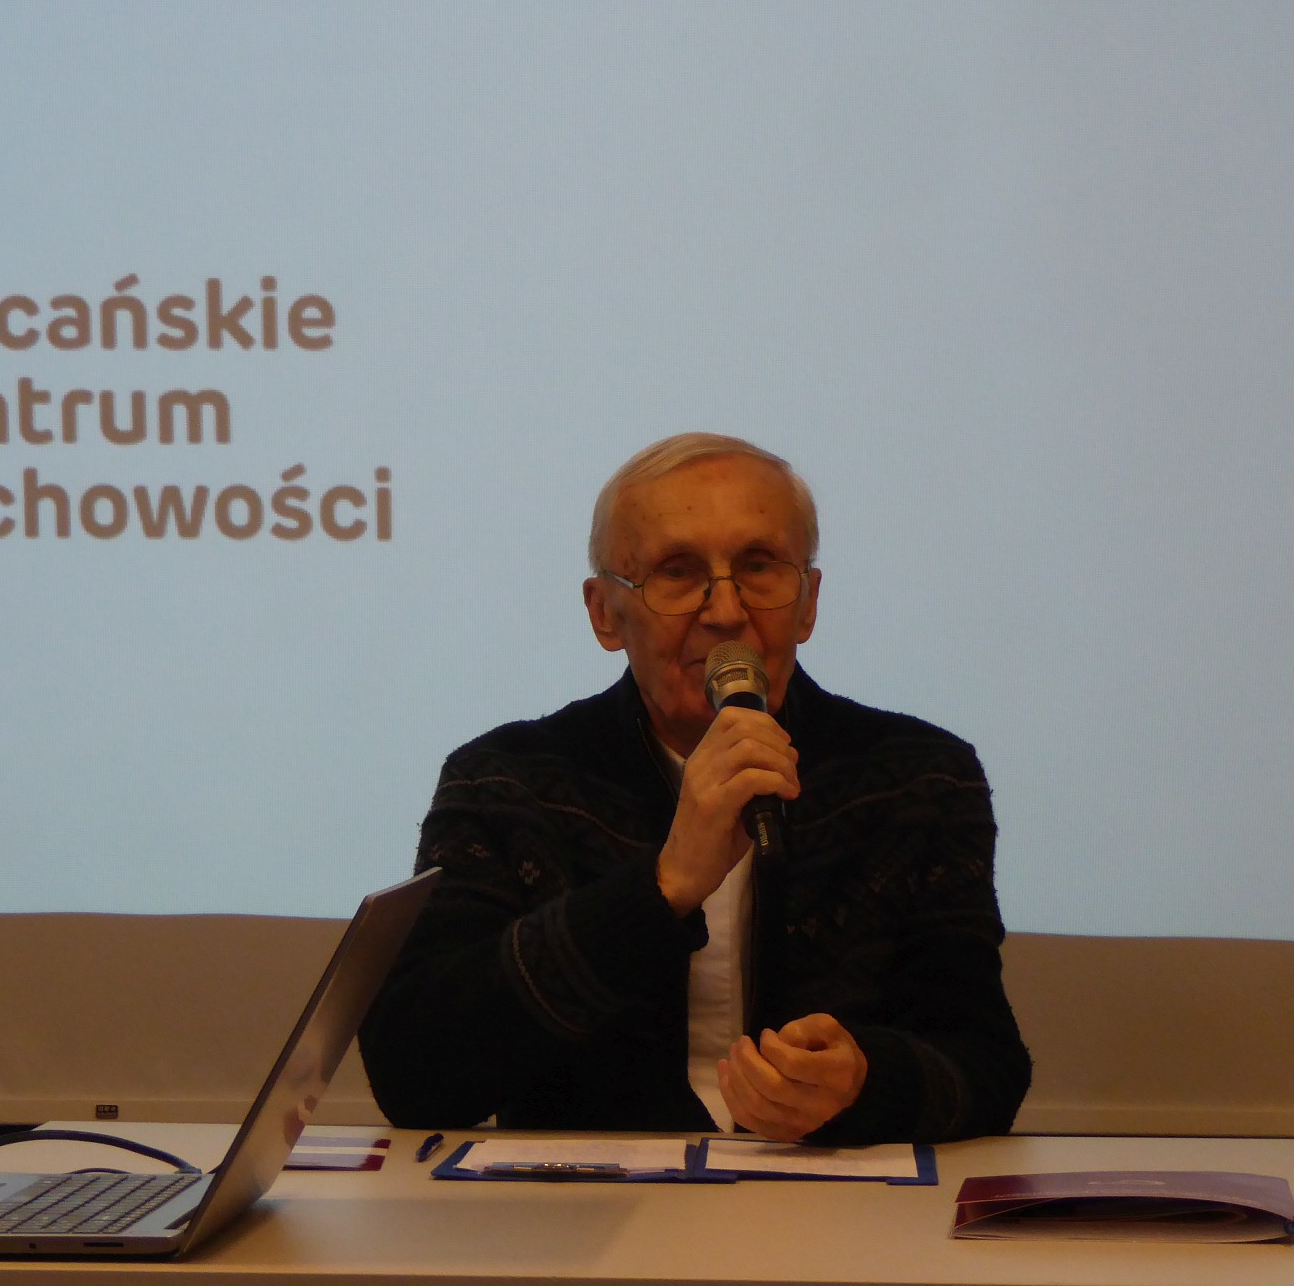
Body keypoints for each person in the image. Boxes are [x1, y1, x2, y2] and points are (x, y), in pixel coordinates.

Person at [358, 433, 1030, 1143]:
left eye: (759, 567)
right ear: (604, 613)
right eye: (677, 573)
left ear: (808, 602)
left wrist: (868, 1083)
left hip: (830, 1201)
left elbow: (986, 1069)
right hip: (589, 1205)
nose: (726, 611)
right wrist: (664, 885)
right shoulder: (506, 779)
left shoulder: (919, 776)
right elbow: (414, 1076)